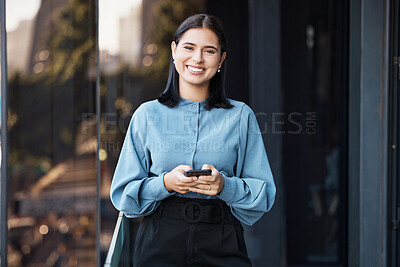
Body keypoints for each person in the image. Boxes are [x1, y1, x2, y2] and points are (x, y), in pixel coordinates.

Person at [110, 13, 276, 267]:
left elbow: (262, 195)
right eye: (189, 47)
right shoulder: (147, 115)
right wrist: (165, 183)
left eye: (209, 51)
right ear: (174, 50)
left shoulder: (240, 116)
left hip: (222, 238)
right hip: (160, 239)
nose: (197, 58)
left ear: (221, 59)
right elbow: (123, 195)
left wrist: (224, 185)